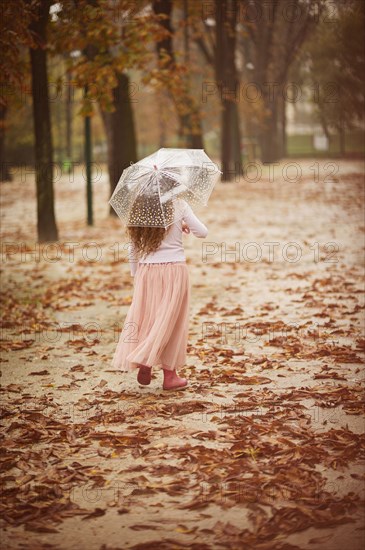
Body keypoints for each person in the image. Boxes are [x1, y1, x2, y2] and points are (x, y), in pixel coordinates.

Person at [111, 195, 208, 391]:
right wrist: (181, 223)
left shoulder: (140, 207)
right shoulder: (178, 204)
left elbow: (133, 247)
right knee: (172, 321)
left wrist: (136, 273)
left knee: (148, 318)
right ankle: (169, 376)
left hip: (147, 271)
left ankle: (145, 359)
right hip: (174, 270)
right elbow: (202, 232)